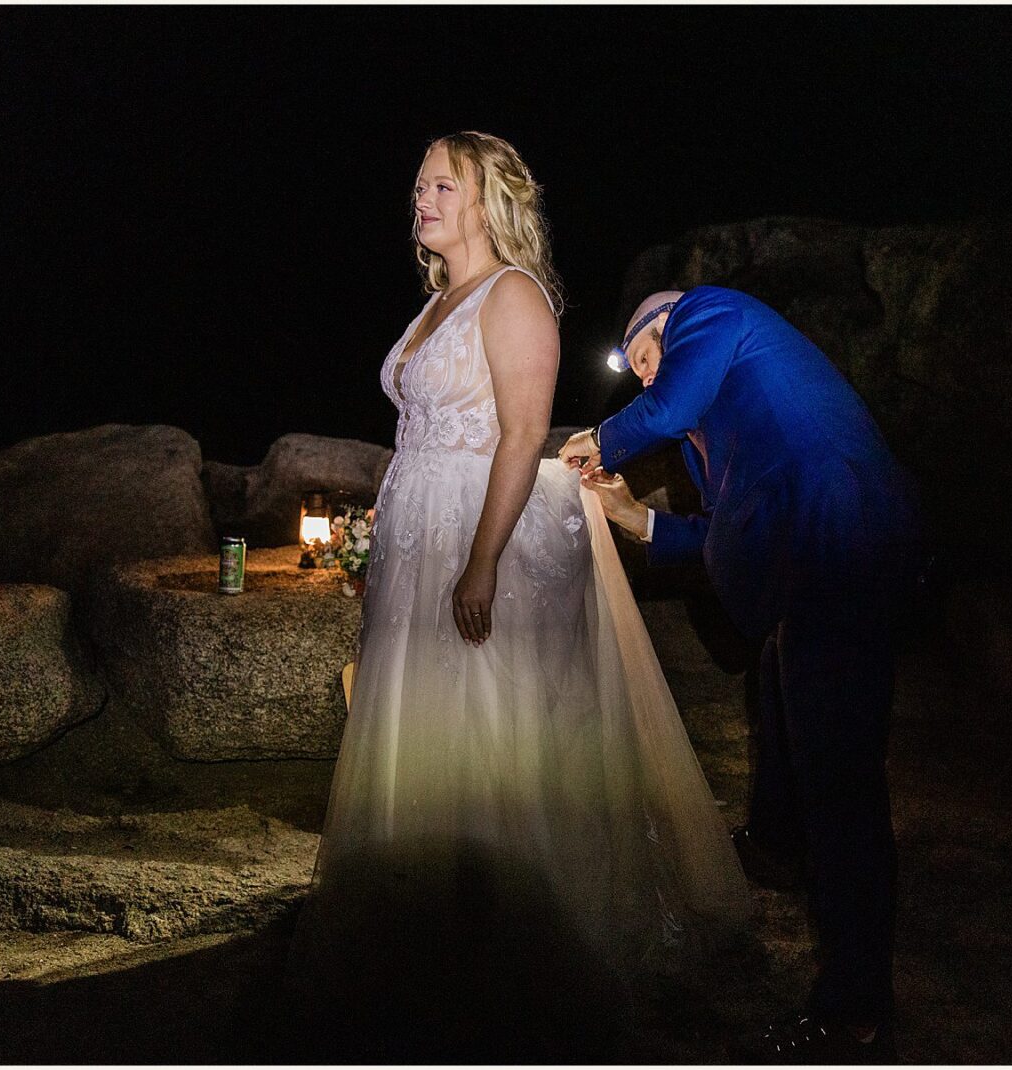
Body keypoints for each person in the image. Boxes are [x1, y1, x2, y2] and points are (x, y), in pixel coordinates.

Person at [283, 134, 753, 1062]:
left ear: (487, 198)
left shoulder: (514, 296)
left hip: (479, 527)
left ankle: (524, 942)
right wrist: (386, 530)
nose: (421, 197)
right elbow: (421, 427)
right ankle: (421, 922)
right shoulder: (436, 302)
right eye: (417, 183)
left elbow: (525, 430)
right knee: (422, 729)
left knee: (495, 732)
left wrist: (482, 559)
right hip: (419, 526)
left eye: (441, 183)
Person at [561, 286, 924, 1063]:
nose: (649, 377)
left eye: (645, 357)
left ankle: (854, 1013)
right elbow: (724, 532)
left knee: (842, 786)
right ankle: (775, 845)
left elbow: (656, 412)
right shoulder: (717, 421)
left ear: (665, 322)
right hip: (811, 564)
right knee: (776, 691)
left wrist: (594, 440)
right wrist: (634, 517)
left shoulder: (713, 313)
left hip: (839, 542)